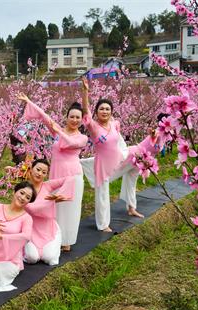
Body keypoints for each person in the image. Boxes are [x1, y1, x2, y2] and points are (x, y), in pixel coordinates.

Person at [17, 93, 88, 252]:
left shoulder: (82, 138)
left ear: (81, 120)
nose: (74, 120)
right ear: (67, 117)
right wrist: (29, 101)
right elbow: (44, 116)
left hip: (72, 175)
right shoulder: (58, 131)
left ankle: (67, 240)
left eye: (78, 117)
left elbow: (70, 142)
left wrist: (59, 131)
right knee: (54, 206)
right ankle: (54, 237)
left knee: (70, 208)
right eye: (72, 116)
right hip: (56, 173)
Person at [79, 79, 149, 232]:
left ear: (111, 112)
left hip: (120, 160)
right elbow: (85, 111)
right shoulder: (93, 126)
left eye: (108, 109)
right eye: (102, 109)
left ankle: (132, 207)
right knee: (103, 195)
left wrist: (125, 154)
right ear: (96, 112)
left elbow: (120, 141)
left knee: (133, 172)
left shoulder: (115, 124)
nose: (105, 111)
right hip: (103, 165)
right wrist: (85, 92)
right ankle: (103, 224)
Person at [23, 158, 74, 265]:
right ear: (31, 169)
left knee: (50, 258)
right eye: (38, 169)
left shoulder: (47, 185)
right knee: (32, 258)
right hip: (31, 229)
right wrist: (52, 201)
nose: (40, 173)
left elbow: (69, 179)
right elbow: (32, 209)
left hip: (48, 229)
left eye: (44, 172)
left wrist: (61, 194)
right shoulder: (24, 189)